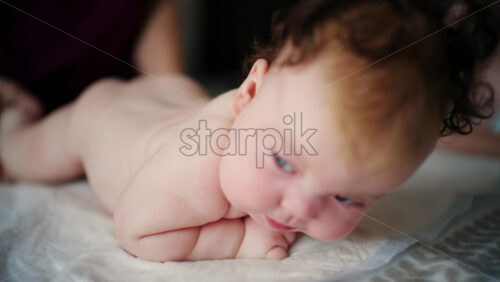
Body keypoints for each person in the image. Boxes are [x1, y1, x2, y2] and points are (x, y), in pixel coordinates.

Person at [0, 0, 498, 261]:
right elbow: (138, 230)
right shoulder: (197, 169)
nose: (300, 209)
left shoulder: (271, 130)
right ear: (249, 93)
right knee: (24, 152)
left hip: (172, 92)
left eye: (349, 199)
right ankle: (10, 120)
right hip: (99, 118)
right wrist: (237, 243)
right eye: (284, 160)